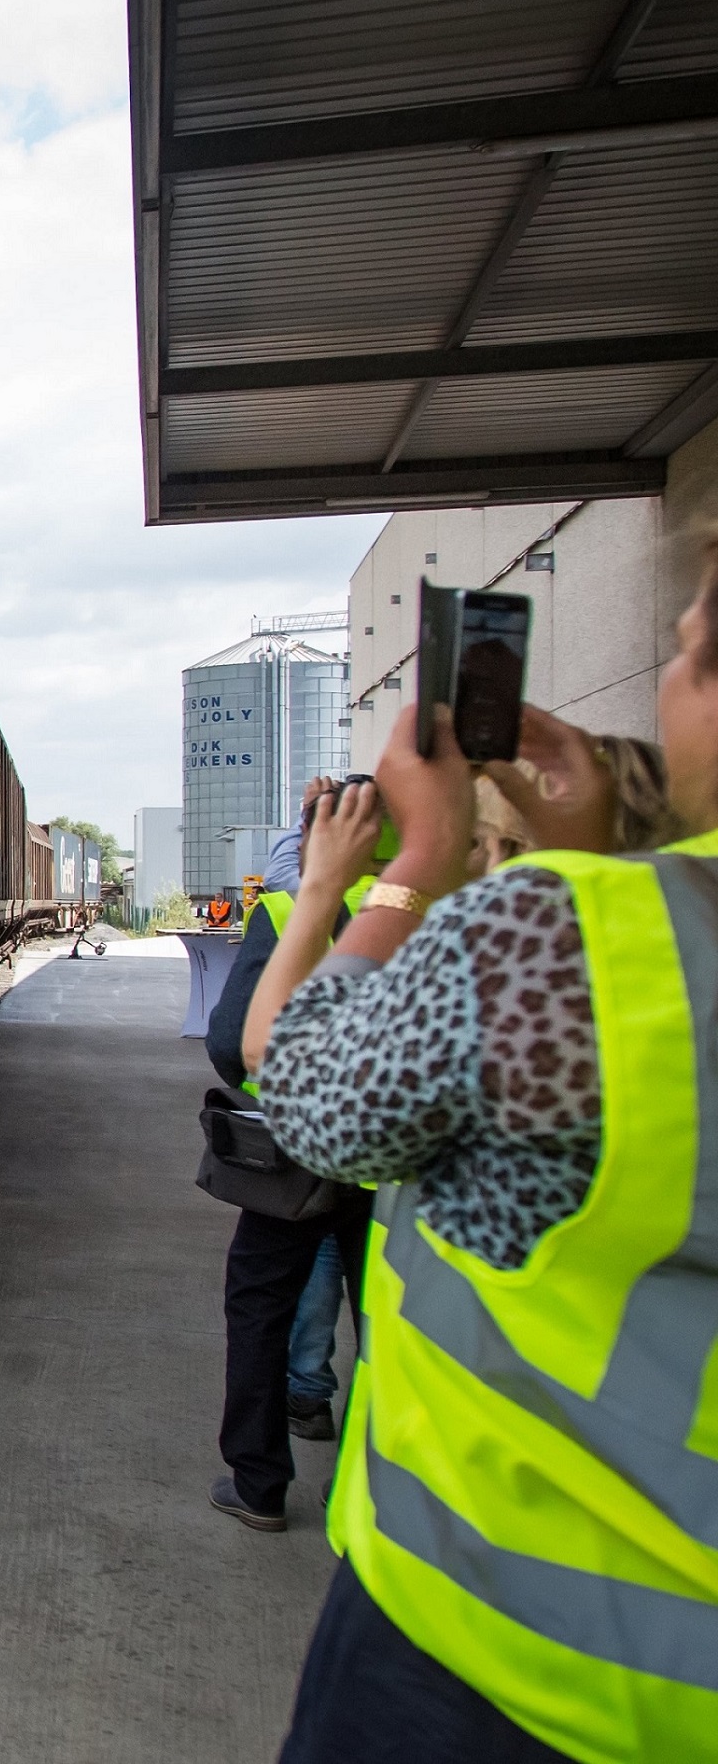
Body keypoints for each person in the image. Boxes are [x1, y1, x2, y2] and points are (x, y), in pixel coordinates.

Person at [239, 567, 718, 1759]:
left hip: (496, 1649)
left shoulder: (579, 934)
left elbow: (303, 1091)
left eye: (685, 651)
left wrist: (420, 854)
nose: (667, 681)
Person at [200, 782, 375, 1532]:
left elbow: (230, 1043)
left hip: (297, 1153)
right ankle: (364, 1485)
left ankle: (259, 1482)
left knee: (260, 1307)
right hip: (391, 1161)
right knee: (383, 1322)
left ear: (311, 839)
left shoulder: (284, 909)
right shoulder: (433, 906)